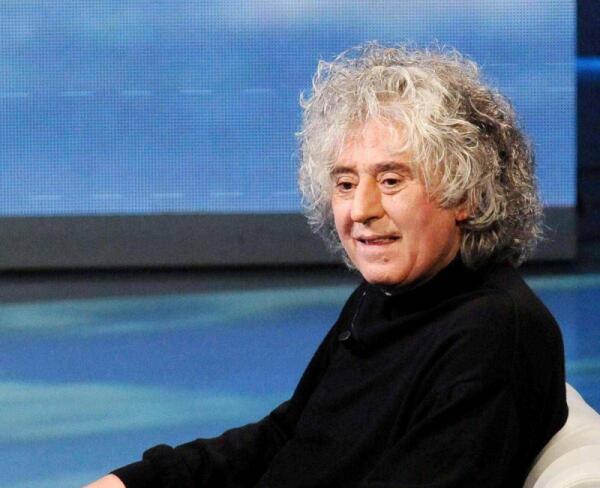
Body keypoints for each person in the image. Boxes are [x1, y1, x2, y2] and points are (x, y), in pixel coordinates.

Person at [86, 43, 568, 488]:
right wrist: (138, 482)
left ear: (466, 195)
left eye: (391, 180)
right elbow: (290, 436)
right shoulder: (382, 299)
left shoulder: (492, 334)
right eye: (345, 184)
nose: (361, 210)